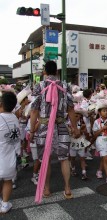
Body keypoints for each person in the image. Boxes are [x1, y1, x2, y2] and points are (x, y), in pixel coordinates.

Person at [30, 60, 79, 203]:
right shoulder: (65, 86)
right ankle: (68, 188)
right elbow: (71, 109)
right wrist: (75, 128)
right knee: (64, 158)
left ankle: (46, 189)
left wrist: (32, 130)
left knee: (45, 158)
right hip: (62, 126)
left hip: (44, 128)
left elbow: (34, 110)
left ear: (45, 72)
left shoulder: (39, 86)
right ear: (57, 72)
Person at [0, 92, 21, 213]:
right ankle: (5, 204)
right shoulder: (14, 118)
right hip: (10, 155)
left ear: (1, 103)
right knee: (8, 181)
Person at [93, 100, 107, 185]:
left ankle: (99, 171)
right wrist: (102, 128)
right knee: (105, 158)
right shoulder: (96, 122)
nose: (106, 112)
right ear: (99, 112)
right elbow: (95, 134)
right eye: (103, 111)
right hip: (100, 140)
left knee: (104, 158)